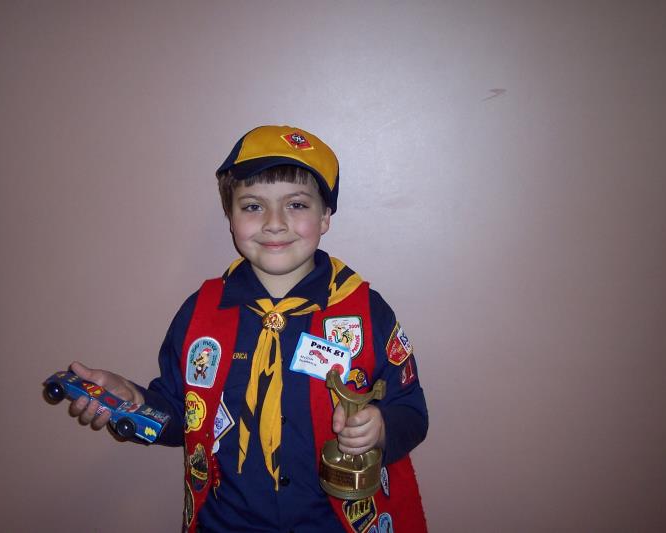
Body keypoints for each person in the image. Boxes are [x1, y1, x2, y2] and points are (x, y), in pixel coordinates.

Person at [67, 125, 428, 532]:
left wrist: (381, 428)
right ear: (230, 216)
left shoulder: (366, 312)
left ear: (325, 216)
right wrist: (133, 401)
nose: (274, 223)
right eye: (253, 206)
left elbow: (412, 410)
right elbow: (182, 413)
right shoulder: (200, 314)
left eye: (296, 205)